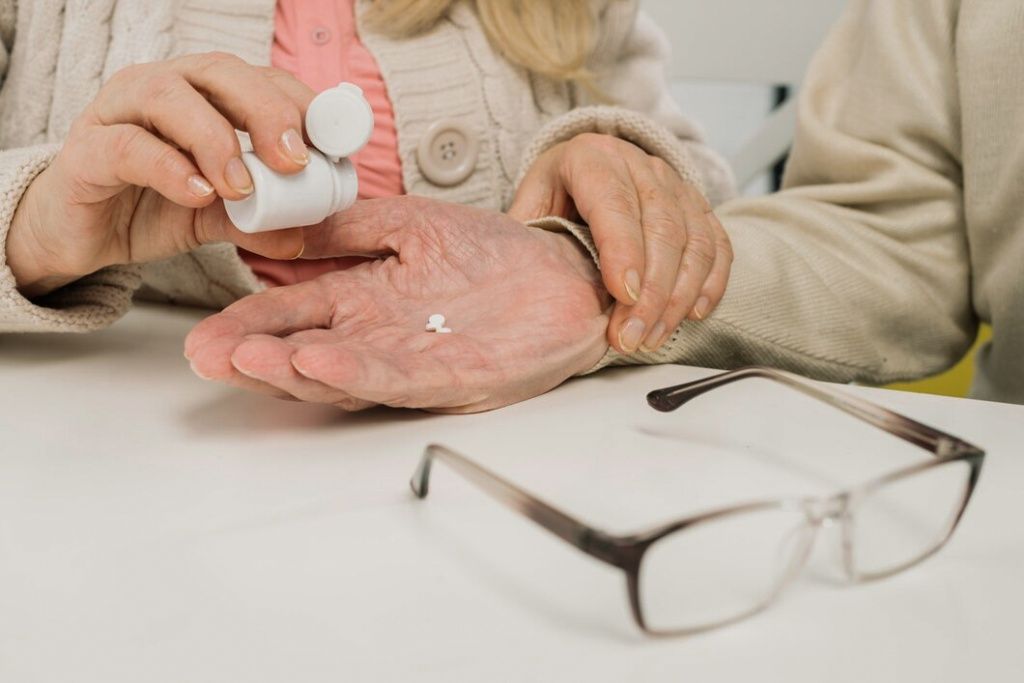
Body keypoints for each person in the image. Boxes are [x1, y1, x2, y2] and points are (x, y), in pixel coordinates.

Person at [185, 0, 1024, 409]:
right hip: (179, 422)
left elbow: (693, 198)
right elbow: (891, 231)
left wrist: (614, 173)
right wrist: (581, 264)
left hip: (540, 432)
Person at [0, 0, 734, 395]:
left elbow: (706, 201)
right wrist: (34, 228)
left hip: (522, 423)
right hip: (128, 422)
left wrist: (611, 166)